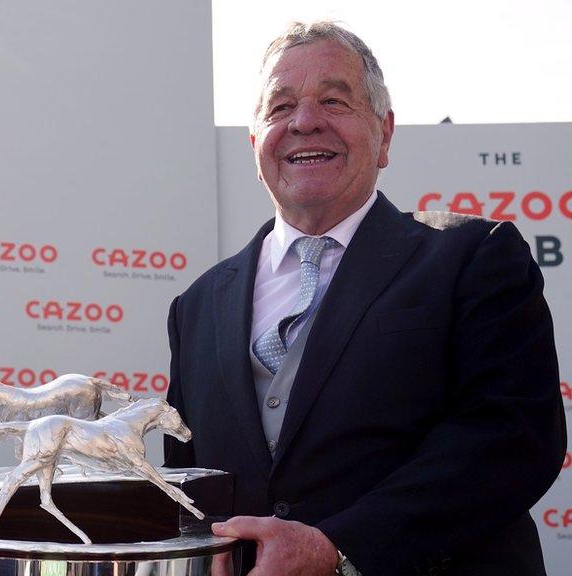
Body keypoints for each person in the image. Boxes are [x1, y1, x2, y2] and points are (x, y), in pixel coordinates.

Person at [164, 22, 565, 576]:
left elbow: (510, 439)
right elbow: (189, 485)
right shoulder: (198, 305)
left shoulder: (474, 257)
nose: (304, 122)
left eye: (333, 100)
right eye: (280, 107)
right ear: (256, 142)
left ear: (385, 133)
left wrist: (339, 547)